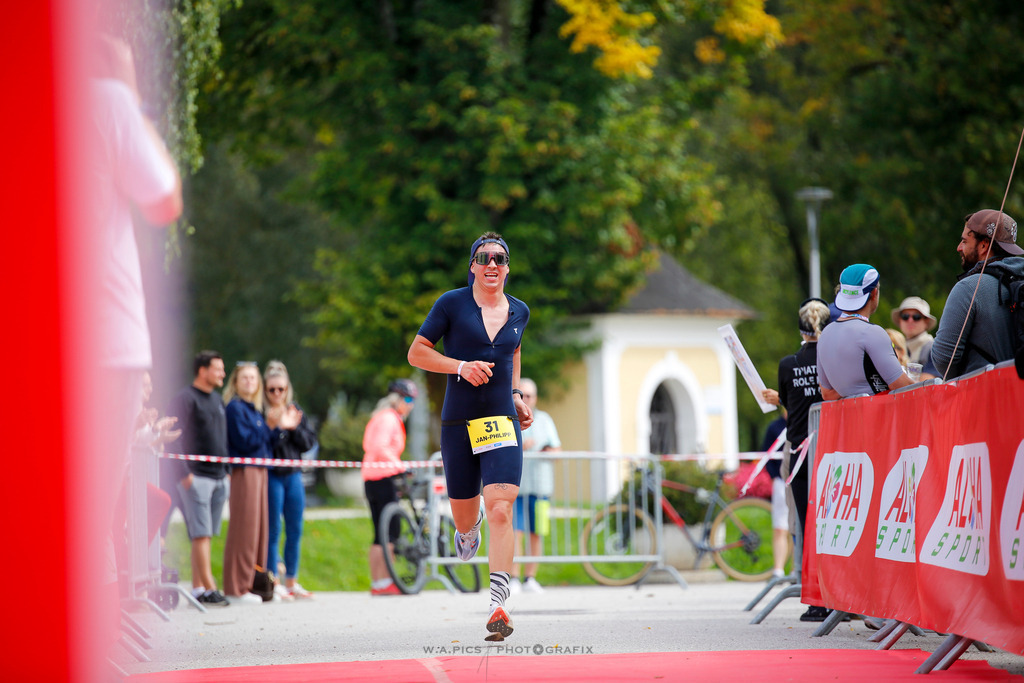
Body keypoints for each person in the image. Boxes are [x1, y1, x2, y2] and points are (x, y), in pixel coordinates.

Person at [87, 32, 183, 658]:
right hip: (107, 335)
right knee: (93, 497)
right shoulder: (103, 100)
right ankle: (92, 636)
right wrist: (129, 93)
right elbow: (164, 199)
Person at [408, 232, 532, 641]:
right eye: (484, 258)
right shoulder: (451, 304)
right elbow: (417, 352)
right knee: (467, 515)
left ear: (508, 267)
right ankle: (467, 528)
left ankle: (499, 603)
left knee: (501, 507)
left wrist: (514, 394)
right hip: (458, 423)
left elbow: (513, 353)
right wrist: (460, 367)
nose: (492, 264)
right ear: (473, 266)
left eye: (500, 258)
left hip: (500, 422)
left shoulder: (519, 312)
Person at [762, 297, 830, 621]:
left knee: (808, 526)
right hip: (832, 449)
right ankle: (840, 596)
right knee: (836, 525)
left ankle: (817, 601)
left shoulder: (788, 364)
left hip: (800, 451)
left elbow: (791, 407)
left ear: (800, 329)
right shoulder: (834, 359)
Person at [222, 361, 303, 605]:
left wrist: (279, 428)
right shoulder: (235, 408)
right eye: (244, 378)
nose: (249, 382)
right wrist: (273, 426)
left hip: (261, 469)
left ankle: (253, 583)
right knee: (243, 531)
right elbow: (247, 441)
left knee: (258, 532)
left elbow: (267, 441)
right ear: (235, 382)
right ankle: (236, 587)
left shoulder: (253, 410)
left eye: (253, 378)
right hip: (246, 470)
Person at [165, 351, 231, 607]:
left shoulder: (217, 399)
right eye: (218, 369)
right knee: (200, 533)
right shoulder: (185, 399)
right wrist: (185, 476)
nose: (222, 374)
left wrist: (226, 471)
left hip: (218, 477)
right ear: (202, 371)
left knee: (204, 535)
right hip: (197, 477)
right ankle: (211, 587)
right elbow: (174, 438)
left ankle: (198, 589)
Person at [931, 210, 1024, 379]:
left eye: (965, 241)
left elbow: (944, 358)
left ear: (983, 245)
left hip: (984, 396)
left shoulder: (969, 288)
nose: (959, 247)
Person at [817, 264, 913, 401]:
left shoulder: (825, 334)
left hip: (846, 420)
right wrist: (934, 390)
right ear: (874, 293)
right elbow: (902, 385)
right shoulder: (871, 332)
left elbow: (827, 394)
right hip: (878, 417)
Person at [264, 361, 318, 601]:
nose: (277, 394)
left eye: (281, 389)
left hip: (293, 475)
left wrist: (292, 427)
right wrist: (280, 428)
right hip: (272, 475)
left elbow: (308, 443)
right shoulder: (263, 414)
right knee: (273, 529)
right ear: (265, 390)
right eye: (272, 389)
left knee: (295, 529)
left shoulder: (295, 410)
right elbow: (265, 445)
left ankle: (292, 581)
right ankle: (272, 581)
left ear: (288, 390)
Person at [362, 379, 418, 597]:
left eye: (412, 400)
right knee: (390, 532)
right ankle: (385, 581)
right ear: (396, 399)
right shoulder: (389, 418)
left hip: (371, 477)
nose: (410, 404)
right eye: (407, 399)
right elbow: (379, 447)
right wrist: (400, 466)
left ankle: (378, 583)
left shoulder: (380, 416)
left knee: (379, 534)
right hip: (384, 477)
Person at [510, 378, 560, 595]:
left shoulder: (544, 420)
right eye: (523, 395)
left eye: (530, 395)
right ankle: (513, 577)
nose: (527, 399)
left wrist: (546, 451)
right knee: (515, 533)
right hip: (516, 486)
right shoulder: (509, 418)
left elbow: (557, 450)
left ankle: (530, 577)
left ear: (535, 398)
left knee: (536, 533)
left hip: (540, 486)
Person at [890, 296, 937, 367]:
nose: (910, 320)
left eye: (916, 317)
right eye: (905, 316)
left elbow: (927, 377)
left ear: (926, 321)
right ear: (900, 320)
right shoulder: (896, 346)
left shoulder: (933, 349)